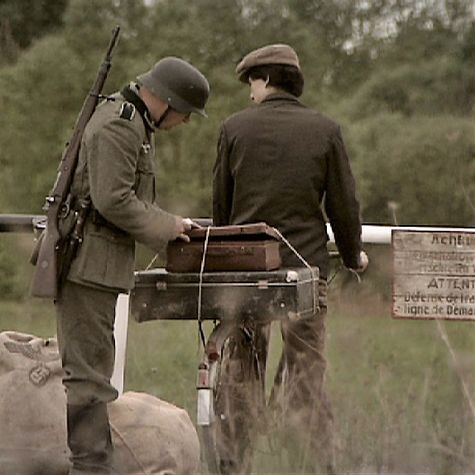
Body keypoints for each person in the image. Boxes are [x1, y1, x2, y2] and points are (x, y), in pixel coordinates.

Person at [212, 44, 368, 474]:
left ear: (264, 79)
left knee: (241, 370)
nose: (249, 94)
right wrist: (354, 256)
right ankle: (313, 463)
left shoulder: (234, 129)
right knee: (306, 371)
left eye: (251, 84)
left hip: (246, 273)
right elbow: (343, 203)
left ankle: (232, 463)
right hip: (305, 270)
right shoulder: (325, 129)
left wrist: (225, 262)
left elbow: (221, 209)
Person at [55, 57, 210, 475]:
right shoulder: (120, 125)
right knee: (88, 379)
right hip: (87, 267)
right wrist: (169, 225)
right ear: (167, 101)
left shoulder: (133, 124)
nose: (186, 122)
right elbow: (113, 200)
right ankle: (90, 468)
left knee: (95, 374)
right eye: (186, 113)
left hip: (97, 268)